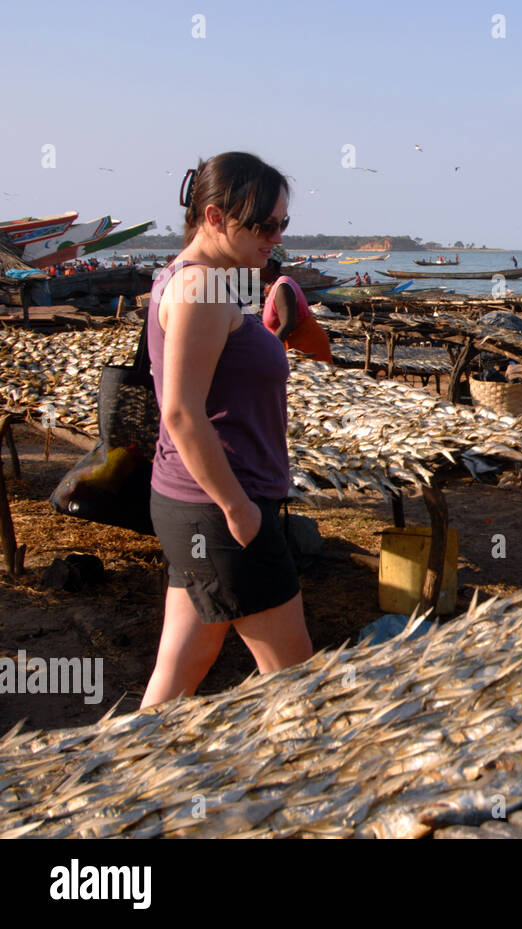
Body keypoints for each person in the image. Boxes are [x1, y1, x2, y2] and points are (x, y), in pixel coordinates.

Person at [141, 152, 312, 709]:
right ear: (214, 217)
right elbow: (182, 413)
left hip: (196, 503)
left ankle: (117, 782)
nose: (275, 237)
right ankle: (309, 784)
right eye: (263, 225)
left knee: (182, 666)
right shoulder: (200, 290)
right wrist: (239, 509)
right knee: (296, 681)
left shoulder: (203, 280)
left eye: (282, 224)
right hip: (220, 507)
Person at [261, 245, 333, 364]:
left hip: (307, 347)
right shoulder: (270, 286)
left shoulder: (282, 287)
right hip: (293, 347)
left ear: (270, 265)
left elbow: (288, 324)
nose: (251, 268)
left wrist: (268, 351)